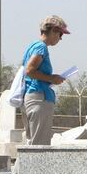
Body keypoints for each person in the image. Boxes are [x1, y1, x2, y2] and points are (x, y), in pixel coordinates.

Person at [22, 15, 70, 146]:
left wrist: (50, 79)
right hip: (38, 98)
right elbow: (30, 71)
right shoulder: (41, 47)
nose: (60, 38)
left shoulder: (33, 46)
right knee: (39, 147)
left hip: (32, 96)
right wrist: (52, 78)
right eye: (60, 34)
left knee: (33, 145)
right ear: (53, 30)